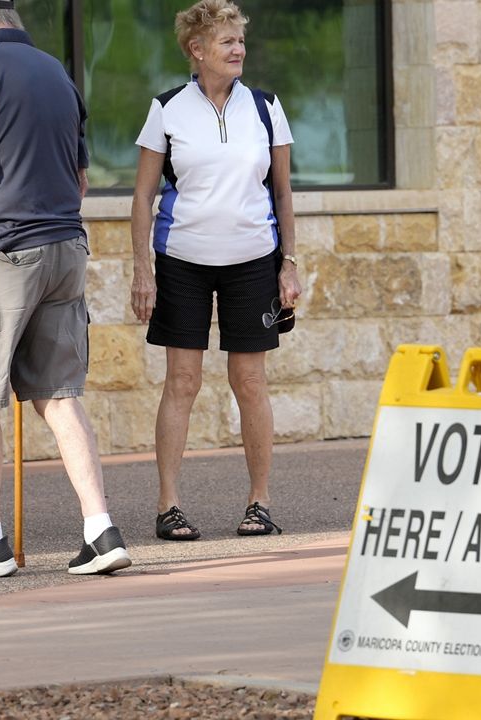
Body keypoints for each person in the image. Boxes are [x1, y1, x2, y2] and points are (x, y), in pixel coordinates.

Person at [0, 0, 131, 578]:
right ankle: (100, 530)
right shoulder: (55, 69)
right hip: (65, 245)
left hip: (4, 250)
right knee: (59, 393)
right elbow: (81, 174)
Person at [129, 0, 302, 542]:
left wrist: (289, 264)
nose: (237, 49)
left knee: (250, 381)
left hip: (254, 262)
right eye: (226, 41)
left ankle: (260, 502)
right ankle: (168, 505)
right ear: (196, 50)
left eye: (240, 40)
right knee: (182, 381)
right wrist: (142, 271)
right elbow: (142, 199)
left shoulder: (267, 106)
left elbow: (282, 192)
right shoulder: (167, 109)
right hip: (182, 262)